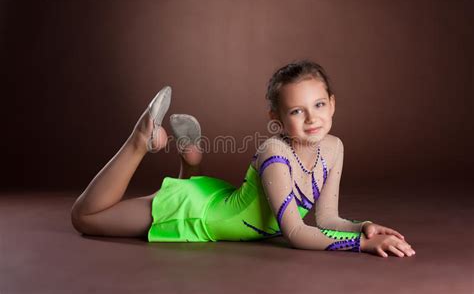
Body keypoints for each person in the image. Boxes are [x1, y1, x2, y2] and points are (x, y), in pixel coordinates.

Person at [71, 60, 416, 258]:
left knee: (205, 193)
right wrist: (361, 245)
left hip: (221, 201)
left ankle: (191, 163)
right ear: (276, 119)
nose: (312, 119)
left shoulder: (334, 147)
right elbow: (294, 231)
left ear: (333, 104)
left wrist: (362, 226)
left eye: (319, 105)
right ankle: (137, 143)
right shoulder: (274, 153)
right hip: (197, 211)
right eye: (297, 110)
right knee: (86, 218)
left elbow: (326, 217)